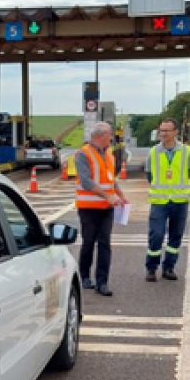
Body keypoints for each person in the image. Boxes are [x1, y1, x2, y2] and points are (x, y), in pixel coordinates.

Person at [74, 122, 128, 296]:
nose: (111, 138)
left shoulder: (109, 154)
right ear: (102, 135)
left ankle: (102, 282)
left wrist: (120, 194)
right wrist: (108, 196)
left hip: (106, 208)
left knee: (105, 243)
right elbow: (86, 181)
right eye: (110, 134)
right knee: (88, 242)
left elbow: (111, 179)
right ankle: (84, 276)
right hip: (89, 207)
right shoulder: (83, 154)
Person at [145, 118, 190, 282]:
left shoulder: (186, 151)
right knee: (156, 235)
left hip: (180, 201)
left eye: (167, 130)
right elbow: (149, 175)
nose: (164, 134)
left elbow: (188, 172)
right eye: (162, 131)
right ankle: (151, 268)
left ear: (176, 132)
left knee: (176, 236)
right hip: (160, 201)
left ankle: (169, 268)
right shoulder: (153, 152)